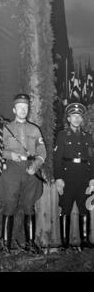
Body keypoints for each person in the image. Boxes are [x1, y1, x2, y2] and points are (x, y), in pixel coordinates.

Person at [0, 94, 46, 253]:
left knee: (29, 206)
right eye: (20, 108)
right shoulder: (6, 129)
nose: (23, 110)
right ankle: (5, 245)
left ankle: (30, 244)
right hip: (12, 169)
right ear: (14, 109)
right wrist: (10, 155)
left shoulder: (34, 129)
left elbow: (42, 151)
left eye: (25, 108)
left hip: (30, 169)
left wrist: (36, 166)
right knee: (9, 205)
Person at [54, 102, 94, 250]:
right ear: (68, 119)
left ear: (82, 119)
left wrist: (92, 179)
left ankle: (84, 240)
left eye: (79, 116)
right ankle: (64, 243)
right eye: (73, 116)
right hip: (67, 178)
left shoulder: (87, 137)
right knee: (65, 208)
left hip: (83, 178)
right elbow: (57, 158)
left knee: (84, 208)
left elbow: (91, 158)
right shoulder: (62, 135)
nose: (76, 119)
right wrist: (58, 178)